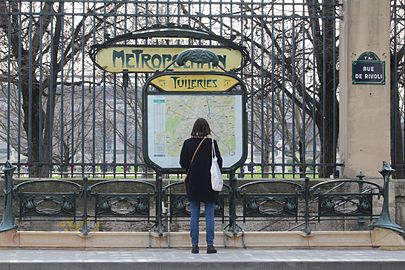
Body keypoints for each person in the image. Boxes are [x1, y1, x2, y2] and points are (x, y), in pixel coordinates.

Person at [179, 118, 223, 254]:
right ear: (207, 129)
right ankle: (210, 245)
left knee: (194, 214)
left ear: (194, 128)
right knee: (209, 214)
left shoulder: (187, 143)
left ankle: (194, 246)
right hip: (209, 183)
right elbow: (219, 162)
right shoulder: (211, 143)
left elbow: (183, 163)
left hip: (193, 182)